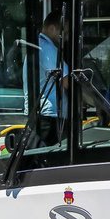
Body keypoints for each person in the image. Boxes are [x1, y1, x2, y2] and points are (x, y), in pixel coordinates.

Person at [31, 9, 68, 146]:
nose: (67, 38)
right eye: (65, 33)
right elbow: (67, 81)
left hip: (44, 113)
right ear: (52, 29)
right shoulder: (47, 48)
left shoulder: (38, 45)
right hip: (49, 117)